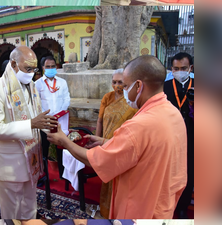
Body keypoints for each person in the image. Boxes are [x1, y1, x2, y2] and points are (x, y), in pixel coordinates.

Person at [47, 55, 187, 219]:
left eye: (126, 85)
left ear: (139, 86)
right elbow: (143, 149)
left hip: (139, 209)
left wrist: (64, 141)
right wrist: (105, 141)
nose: (123, 89)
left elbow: (96, 160)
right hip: (163, 204)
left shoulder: (138, 125)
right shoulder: (173, 113)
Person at [0, 46, 58, 219]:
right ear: (13, 64)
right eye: (28, 69)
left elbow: (37, 117)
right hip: (9, 165)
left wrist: (52, 130)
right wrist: (31, 124)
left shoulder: (31, 86)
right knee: (12, 213)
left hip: (31, 160)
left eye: (34, 69)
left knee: (29, 208)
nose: (32, 73)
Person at [94, 68, 137, 219]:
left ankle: (120, 213)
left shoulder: (132, 100)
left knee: (122, 181)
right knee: (107, 178)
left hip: (122, 147)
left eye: (121, 82)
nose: (117, 85)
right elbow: (99, 120)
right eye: (114, 82)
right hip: (105, 144)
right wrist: (97, 141)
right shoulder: (107, 97)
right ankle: (106, 212)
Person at [163, 52, 194, 218]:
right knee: (169, 172)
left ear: (191, 68)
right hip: (171, 138)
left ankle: (183, 206)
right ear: (171, 69)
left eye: (183, 68)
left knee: (188, 173)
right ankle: (169, 204)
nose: (179, 71)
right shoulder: (165, 87)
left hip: (192, 138)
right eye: (176, 68)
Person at [35, 55, 71, 179]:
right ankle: (43, 174)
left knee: (61, 147)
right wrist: (49, 116)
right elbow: (37, 103)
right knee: (43, 149)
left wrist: (60, 113)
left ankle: (63, 174)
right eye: (48, 66)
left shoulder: (62, 82)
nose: (51, 68)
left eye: (53, 66)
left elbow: (66, 98)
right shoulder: (37, 84)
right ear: (43, 68)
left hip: (60, 121)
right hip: (45, 122)